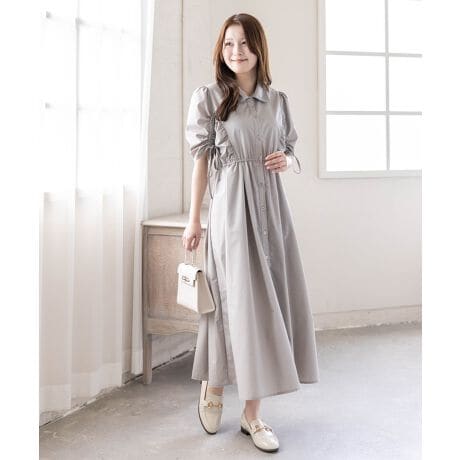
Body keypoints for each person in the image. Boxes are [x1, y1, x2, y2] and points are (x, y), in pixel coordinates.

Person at [182, 12, 319, 453]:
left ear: (259, 48)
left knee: (267, 304)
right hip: (230, 214)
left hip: (272, 212)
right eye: (228, 44)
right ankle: (214, 384)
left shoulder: (277, 101)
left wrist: (287, 160)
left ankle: (252, 415)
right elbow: (201, 163)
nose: (236, 52)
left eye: (243, 43)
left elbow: (291, 151)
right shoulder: (208, 97)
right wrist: (194, 219)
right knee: (230, 300)